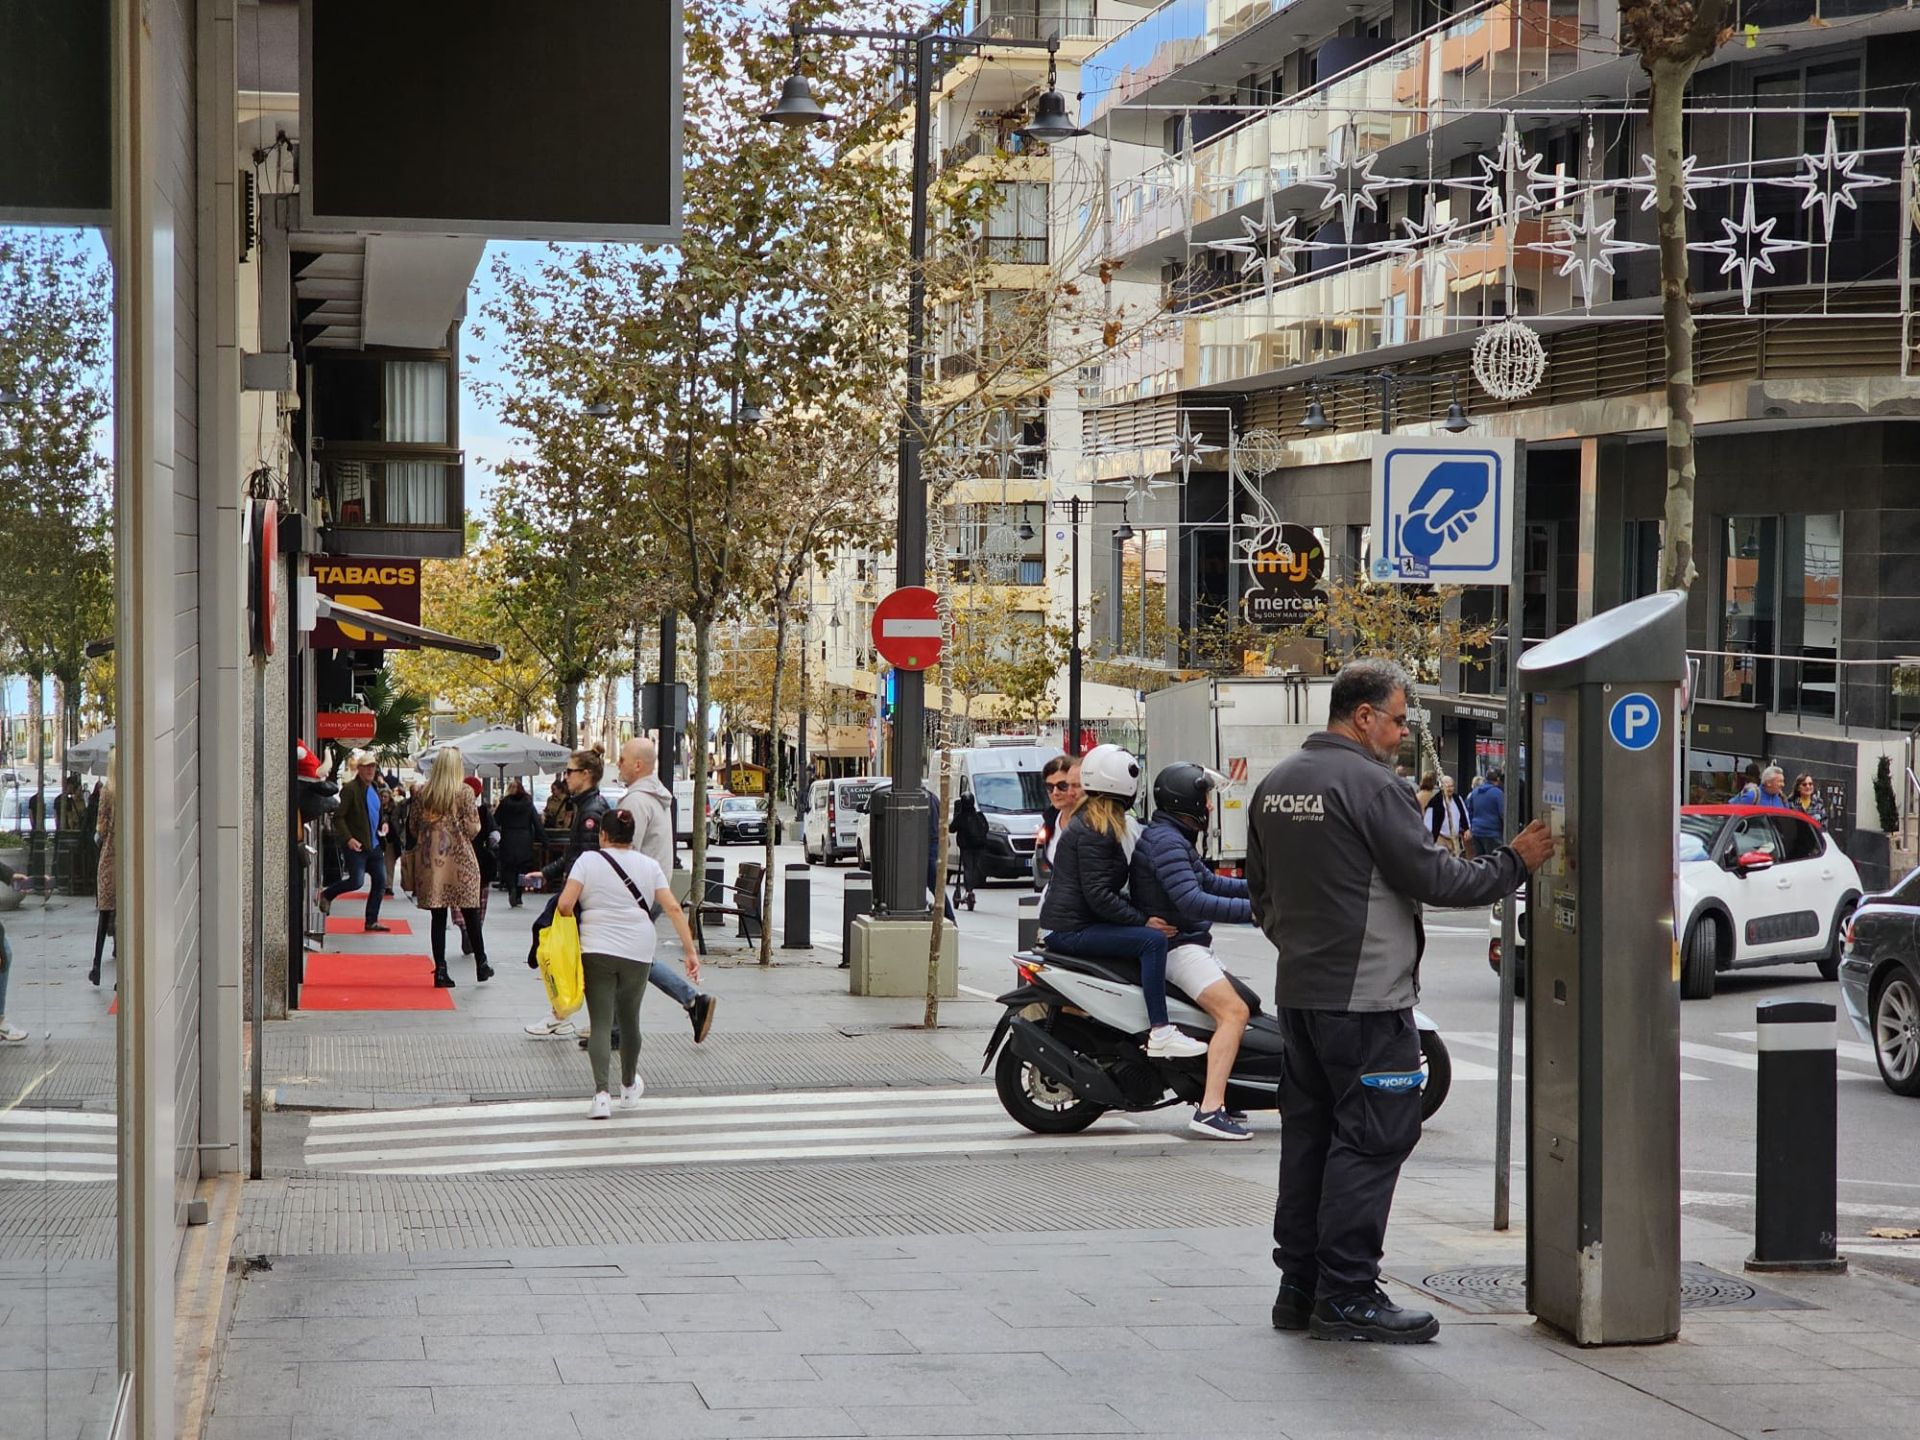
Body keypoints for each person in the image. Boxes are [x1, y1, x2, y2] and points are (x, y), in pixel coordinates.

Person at [1248, 659, 1553, 1344]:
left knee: (1310, 1139)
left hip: (1300, 997)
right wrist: (1515, 862)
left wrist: (1304, 951)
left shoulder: (1277, 784)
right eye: (1396, 719)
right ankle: (1348, 1294)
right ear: (1363, 717)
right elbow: (1436, 877)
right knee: (1373, 1138)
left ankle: (1298, 1287)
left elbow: (1260, 897)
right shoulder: (1372, 786)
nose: (1399, 733)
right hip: (1368, 1003)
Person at [1039, 744, 1208, 1061]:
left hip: (1071, 922)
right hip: (1069, 929)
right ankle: (1161, 1031)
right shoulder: (1096, 829)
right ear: (1126, 786)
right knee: (1153, 942)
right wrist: (1143, 921)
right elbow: (1099, 894)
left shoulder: (1094, 821)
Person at [1131, 762, 1255, 1140]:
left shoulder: (1172, 837)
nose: (1211, 806)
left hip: (1186, 942)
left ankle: (1224, 1089)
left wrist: (1265, 888)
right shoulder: (1167, 842)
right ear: (1188, 800)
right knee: (1234, 1012)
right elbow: (1194, 900)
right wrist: (1260, 913)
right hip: (1178, 947)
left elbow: (1210, 881)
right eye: (1205, 798)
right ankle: (1211, 1108)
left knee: (1247, 1003)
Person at [556, 806, 700, 1119]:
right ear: (631, 836)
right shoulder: (649, 866)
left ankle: (601, 1096)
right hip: (638, 949)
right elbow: (673, 908)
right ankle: (628, 1088)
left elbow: (565, 904)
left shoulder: (588, 861)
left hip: (596, 949)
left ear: (603, 835)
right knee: (630, 1019)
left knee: (601, 1023)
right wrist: (690, 952)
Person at [615, 736, 716, 1044]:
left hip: (638, 893)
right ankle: (616, 1029)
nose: (617, 764)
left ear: (637, 765)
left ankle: (690, 999)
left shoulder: (635, 801)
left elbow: (624, 851)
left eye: (621, 759)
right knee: (626, 956)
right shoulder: (654, 799)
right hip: (651, 889)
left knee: (630, 956)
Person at [522, 749, 612, 1037]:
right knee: (572, 956)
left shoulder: (591, 812)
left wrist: (568, 898)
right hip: (579, 896)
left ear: (585, 775)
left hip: (580, 898)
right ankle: (568, 1013)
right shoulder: (587, 807)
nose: (566, 777)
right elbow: (577, 856)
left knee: (562, 953)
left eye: (570, 771)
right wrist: (547, 873)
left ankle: (564, 1013)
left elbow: (585, 861)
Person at [412, 748, 491, 988]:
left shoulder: (423, 792)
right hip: (461, 860)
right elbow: (474, 828)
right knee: (470, 912)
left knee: (438, 917)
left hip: (432, 862)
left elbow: (413, 825)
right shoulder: (465, 792)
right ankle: (482, 962)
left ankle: (441, 970)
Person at [318, 752, 391, 934]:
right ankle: (327, 894)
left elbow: (377, 813)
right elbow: (339, 817)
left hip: (373, 845)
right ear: (359, 769)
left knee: (381, 882)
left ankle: (371, 920)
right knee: (356, 881)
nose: (370, 770)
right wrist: (348, 838)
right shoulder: (350, 789)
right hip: (356, 845)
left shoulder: (374, 787)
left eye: (373, 766)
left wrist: (383, 823)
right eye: (366, 766)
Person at [454, 776, 498, 956]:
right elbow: (494, 835)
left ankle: (464, 927)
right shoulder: (482, 811)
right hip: (480, 861)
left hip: (457, 861)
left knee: (457, 898)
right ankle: (475, 928)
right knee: (479, 899)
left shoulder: (454, 811)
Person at [1032, 754, 1081, 892]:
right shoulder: (1050, 821)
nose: (1055, 792)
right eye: (1049, 787)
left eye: (1062, 786)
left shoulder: (1090, 823)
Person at [90, 756, 117, 987]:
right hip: (126, 857)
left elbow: (101, 827)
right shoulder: (127, 789)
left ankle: (96, 966)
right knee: (123, 915)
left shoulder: (107, 791)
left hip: (109, 856)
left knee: (104, 913)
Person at [494, 779, 538, 907]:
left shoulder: (504, 803)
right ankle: (519, 895)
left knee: (508, 867)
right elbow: (536, 822)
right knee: (523, 868)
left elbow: (496, 820)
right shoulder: (528, 804)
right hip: (524, 839)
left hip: (508, 837)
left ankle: (511, 888)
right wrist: (544, 840)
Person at [949, 789, 990, 910]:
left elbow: (952, 829)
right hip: (979, 846)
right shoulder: (979, 816)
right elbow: (986, 828)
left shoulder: (961, 817)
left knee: (968, 868)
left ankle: (969, 890)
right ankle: (970, 890)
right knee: (974, 868)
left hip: (966, 847)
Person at [1466, 766, 1505, 860]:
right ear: (1498, 779)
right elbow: (1503, 814)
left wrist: (1472, 826)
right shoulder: (1498, 793)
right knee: (1494, 862)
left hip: (1477, 832)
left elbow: (1469, 811)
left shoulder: (1475, 792)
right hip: (1492, 833)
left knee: (1479, 861)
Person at [1425, 775, 1471, 857]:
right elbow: (1428, 821)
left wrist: (1467, 828)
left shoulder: (1457, 799)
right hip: (1441, 839)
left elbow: (1464, 813)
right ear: (1442, 787)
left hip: (1455, 839)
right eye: (1447, 787)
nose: (1450, 789)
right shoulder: (1435, 801)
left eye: (1452, 786)